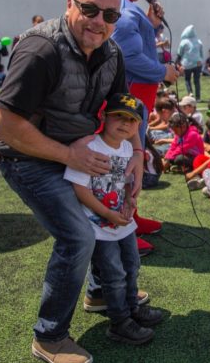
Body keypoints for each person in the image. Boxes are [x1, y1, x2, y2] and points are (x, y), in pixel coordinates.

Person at [0, 0, 141, 363]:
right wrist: (69, 155)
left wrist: (138, 155)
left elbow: (124, 110)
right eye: (89, 9)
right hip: (25, 156)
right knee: (77, 236)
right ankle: (49, 336)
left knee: (106, 219)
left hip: (78, 151)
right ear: (70, 4)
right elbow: (5, 127)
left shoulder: (112, 53)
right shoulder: (41, 49)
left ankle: (101, 292)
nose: (98, 21)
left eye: (110, 15)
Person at [63, 93, 164, 345]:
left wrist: (130, 199)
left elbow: (126, 182)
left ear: (138, 126)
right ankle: (120, 322)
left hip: (123, 223)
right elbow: (79, 189)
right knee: (114, 274)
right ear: (104, 117)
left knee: (132, 266)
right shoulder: (89, 147)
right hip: (98, 226)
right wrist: (107, 213)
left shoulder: (129, 148)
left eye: (131, 119)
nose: (125, 123)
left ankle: (132, 308)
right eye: (118, 116)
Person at [109, 0, 181, 246]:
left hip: (135, 101)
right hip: (127, 103)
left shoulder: (126, 7)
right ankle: (118, 224)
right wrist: (163, 72)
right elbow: (129, 57)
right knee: (124, 160)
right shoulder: (124, 12)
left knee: (130, 159)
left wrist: (150, 24)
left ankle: (130, 216)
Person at [177, 25, 203, 99]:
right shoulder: (198, 41)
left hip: (187, 64)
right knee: (197, 81)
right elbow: (201, 53)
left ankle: (190, 93)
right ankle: (198, 97)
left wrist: (178, 63)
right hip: (197, 63)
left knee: (187, 79)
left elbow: (179, 53)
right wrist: (200, 60)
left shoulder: (184, 42)